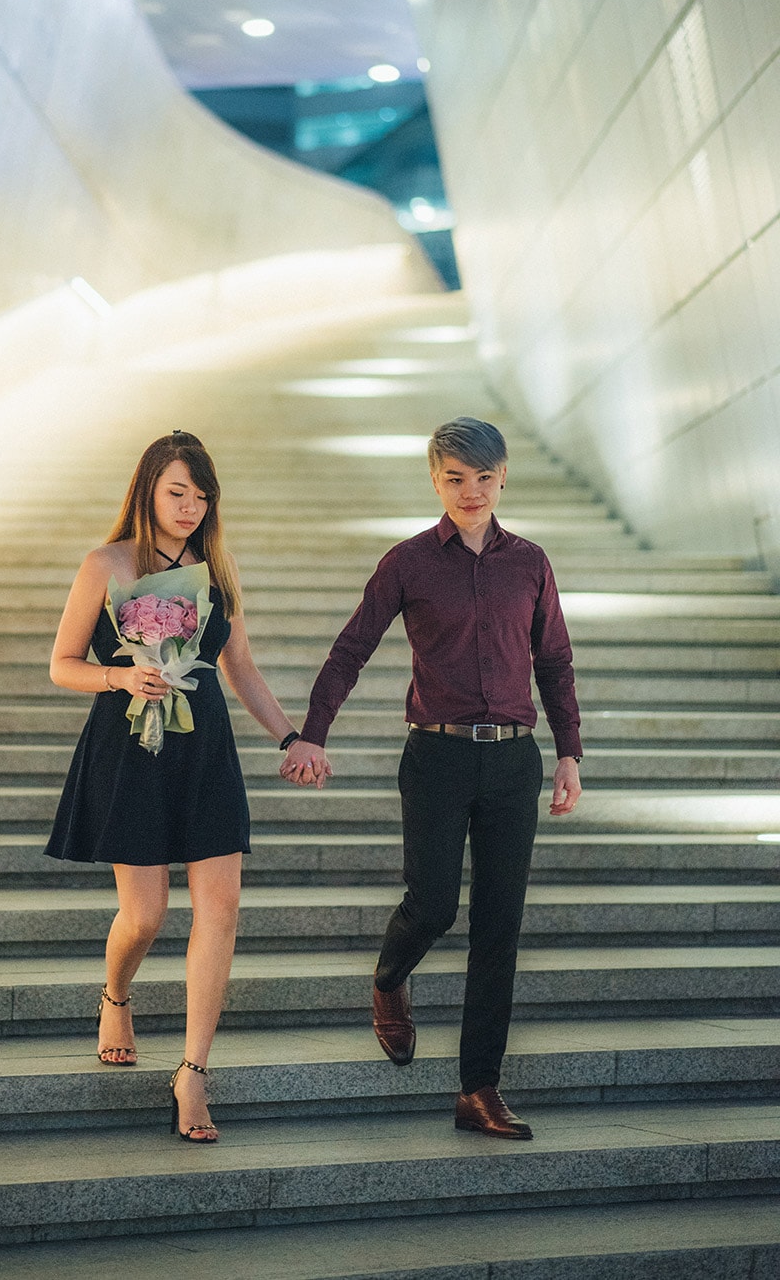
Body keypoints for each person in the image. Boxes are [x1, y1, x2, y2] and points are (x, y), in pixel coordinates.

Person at [282, 416, 582, 1140]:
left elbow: (554, 661)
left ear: (504, 476)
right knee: (435, 905)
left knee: (499, 927)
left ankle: (478, 1089)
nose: (471, 490)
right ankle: (389, 982)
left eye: (484, 476)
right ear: (435, 479)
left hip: (514, 758)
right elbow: (351, 648)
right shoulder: (409, 563)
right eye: (455, 477)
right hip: (438, 757)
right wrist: (312, 734)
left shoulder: (531, 563)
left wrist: (569, 750)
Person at [45, 430, 329, 1144]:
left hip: (205, 752)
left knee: (222, 906)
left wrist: (292, 737)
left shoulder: (217, 570)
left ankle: (193, 1073)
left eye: (202, 497)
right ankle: (116, 995)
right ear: (147, 489)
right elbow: (62, 664)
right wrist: (118, 675)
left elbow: (243, 672)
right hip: (130, 747)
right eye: (178, 492)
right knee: (144, 917)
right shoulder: (104, 564)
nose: (190, 507)